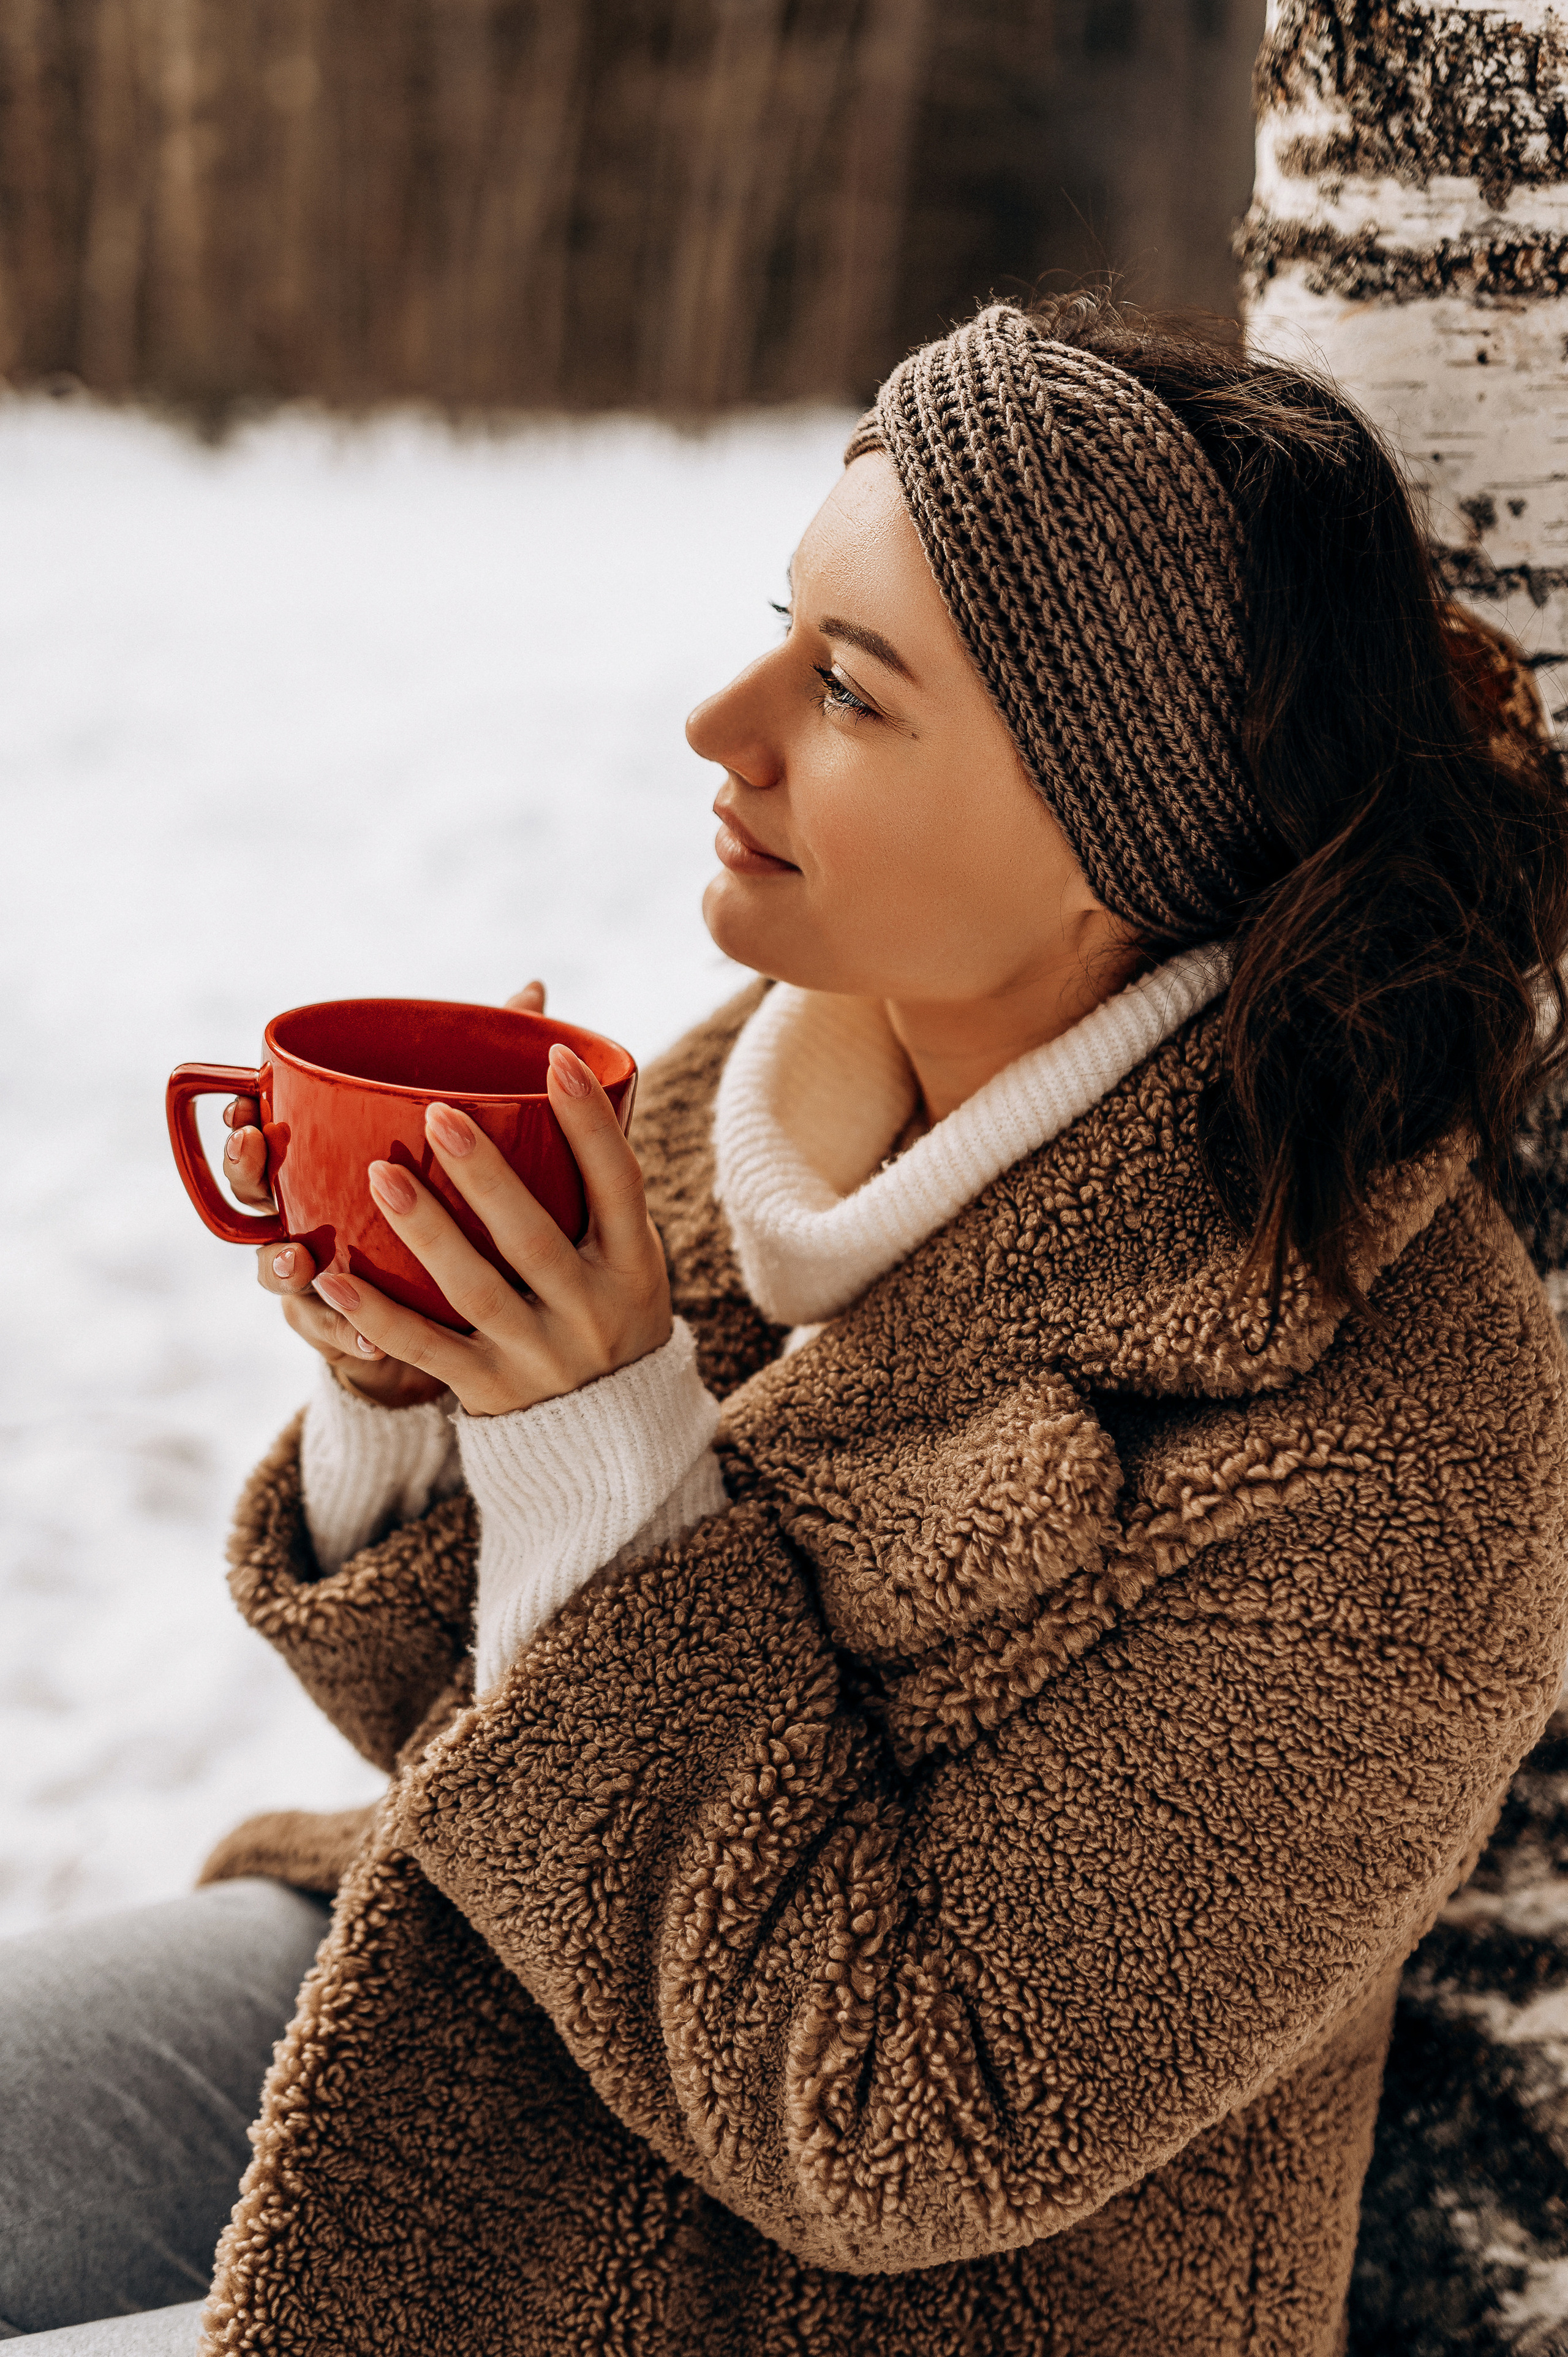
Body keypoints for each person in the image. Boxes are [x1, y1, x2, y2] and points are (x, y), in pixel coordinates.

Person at [7, 293, 1568, 2357]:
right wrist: (424, 1392)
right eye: (780, 625)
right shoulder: (762, 1094)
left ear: (1122, 838)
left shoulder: (1402, 1456)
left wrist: (607, 1449)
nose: (719, 721)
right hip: (463, 1989)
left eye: (845, 687)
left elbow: (901, 2121)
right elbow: (461, 1731)